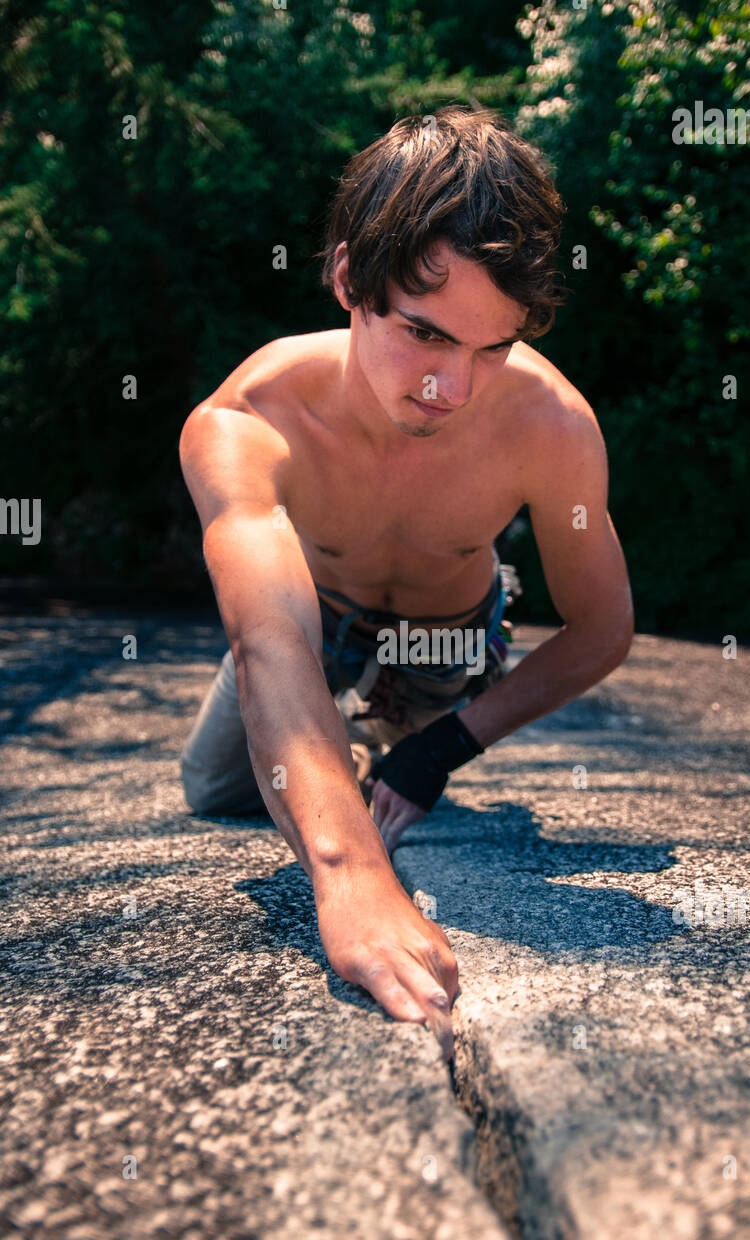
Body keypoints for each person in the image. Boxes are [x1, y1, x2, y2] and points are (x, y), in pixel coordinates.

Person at [178, 106, 633, 1059]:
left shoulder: (552, 426)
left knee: (398, 779)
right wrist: (345, 873)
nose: (453, 390)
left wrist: (445, 750)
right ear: (349, 277)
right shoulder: (244, 418)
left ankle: (385, 735)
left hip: (447, 638)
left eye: (491, 347)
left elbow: (601, 629)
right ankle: (335, 752)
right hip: (315, 618)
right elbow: (270, 638)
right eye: (426, 336)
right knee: (215, 785)